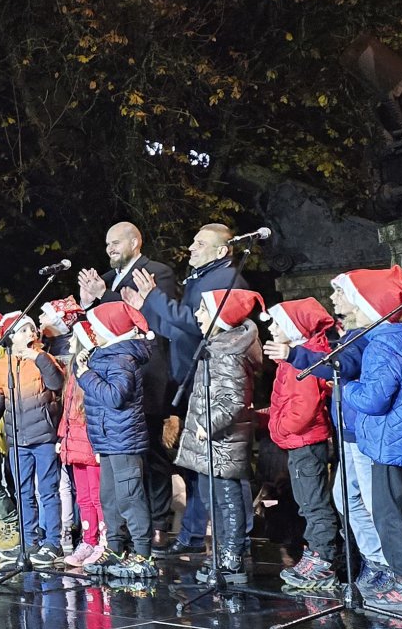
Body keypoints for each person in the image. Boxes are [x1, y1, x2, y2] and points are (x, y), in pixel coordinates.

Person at [125, 222, 254, 552]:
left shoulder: (225, 280)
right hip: (187, 378)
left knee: (221, 465)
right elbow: (178, 327)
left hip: (209, 378)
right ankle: (194, 535)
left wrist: (154, 297)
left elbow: (197, 325)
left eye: (199, 243)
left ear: (222, 251)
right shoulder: (202, 278)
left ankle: (237, 540)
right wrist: (147, 307)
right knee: (195, 464)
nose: (191, 248)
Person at [332, 266, 402, 614]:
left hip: (388, 443)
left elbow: (373, 400)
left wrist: (347, 387)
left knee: (389, 516)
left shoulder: (380, 347)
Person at [174, 288, 264, 575]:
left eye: (204, 310)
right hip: (213, 443)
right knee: (214, 498)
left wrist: (206, 425)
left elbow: (233, 400)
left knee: (226, 500)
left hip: (221, 442)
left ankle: (231, 557)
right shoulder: (218, 346)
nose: (198, 315)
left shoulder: (228, 352)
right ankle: (224, 552)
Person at [265, 298, 344, 595]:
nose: (271, 329)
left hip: (307, 442)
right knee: (306, 501)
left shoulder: (309, 359)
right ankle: (319, 553)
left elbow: (304, 407)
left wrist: (280, 429)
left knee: (313, 503)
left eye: (277, 323)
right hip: (300, 442)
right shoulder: (290, 361)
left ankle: (323, 556)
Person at [77, 301, 159, 576]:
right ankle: (114, 549)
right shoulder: (106, 355)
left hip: (124, 438)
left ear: (111, 331)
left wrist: (86, 376)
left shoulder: (122, 358)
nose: (93, 333)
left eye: (97, 328)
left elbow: (115, 396)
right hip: (109, 438)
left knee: (129, 496)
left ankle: (143, 555)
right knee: (109, 496)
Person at [0, 315, 67, 566]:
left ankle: (53, 543)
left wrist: (38, 358)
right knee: (23, 492)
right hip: (17, 439)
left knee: (48, 491)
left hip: (43, 437)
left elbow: (56, 383)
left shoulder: (44, 359)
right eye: (23, 330)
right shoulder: (1, 366)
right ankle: (28, 542)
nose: (31, 333)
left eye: (32, 329)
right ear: (10, 337)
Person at [59, 320, 105, 569]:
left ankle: (103, 542)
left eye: (73, 338)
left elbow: (96, 412)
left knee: (98, 497)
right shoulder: (72, 372)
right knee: (84, 498)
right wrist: (61, 438)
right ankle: (87, 541)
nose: (69, 342)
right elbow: (67, 411)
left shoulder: (92, 370)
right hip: (74, 443)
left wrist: (98, 446)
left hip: (90, 443)